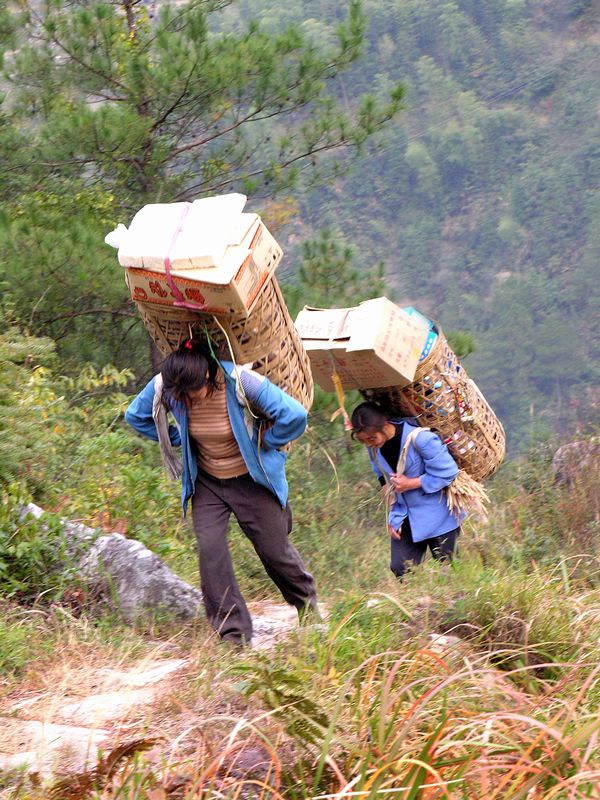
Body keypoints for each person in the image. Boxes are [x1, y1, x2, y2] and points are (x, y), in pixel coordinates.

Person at [125, 336, 318, 646]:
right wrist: (176, 439)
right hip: (207, 483)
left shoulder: (240, 381)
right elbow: (135, 415)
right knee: (211, 550)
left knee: (273, 550)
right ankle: (233, 634)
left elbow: (294, 415)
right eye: (180, 395)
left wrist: (267, 441)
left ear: (209, 377)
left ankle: (307, 605)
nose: (186, 400)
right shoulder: (170, 384)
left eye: (193, 393)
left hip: (251, 479)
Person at [350, 401, 463, 579]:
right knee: (401, 569)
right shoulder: (374, 448)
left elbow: (448, 472)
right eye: (363, 440)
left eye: (371, 438)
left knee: (450, 569)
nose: (369, 444)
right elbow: (383, 478)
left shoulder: (421, 439)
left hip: (438, 514)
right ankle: (417, 604)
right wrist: (391, 516)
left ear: (384, 424)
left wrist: (411, 483)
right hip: (405, 515)